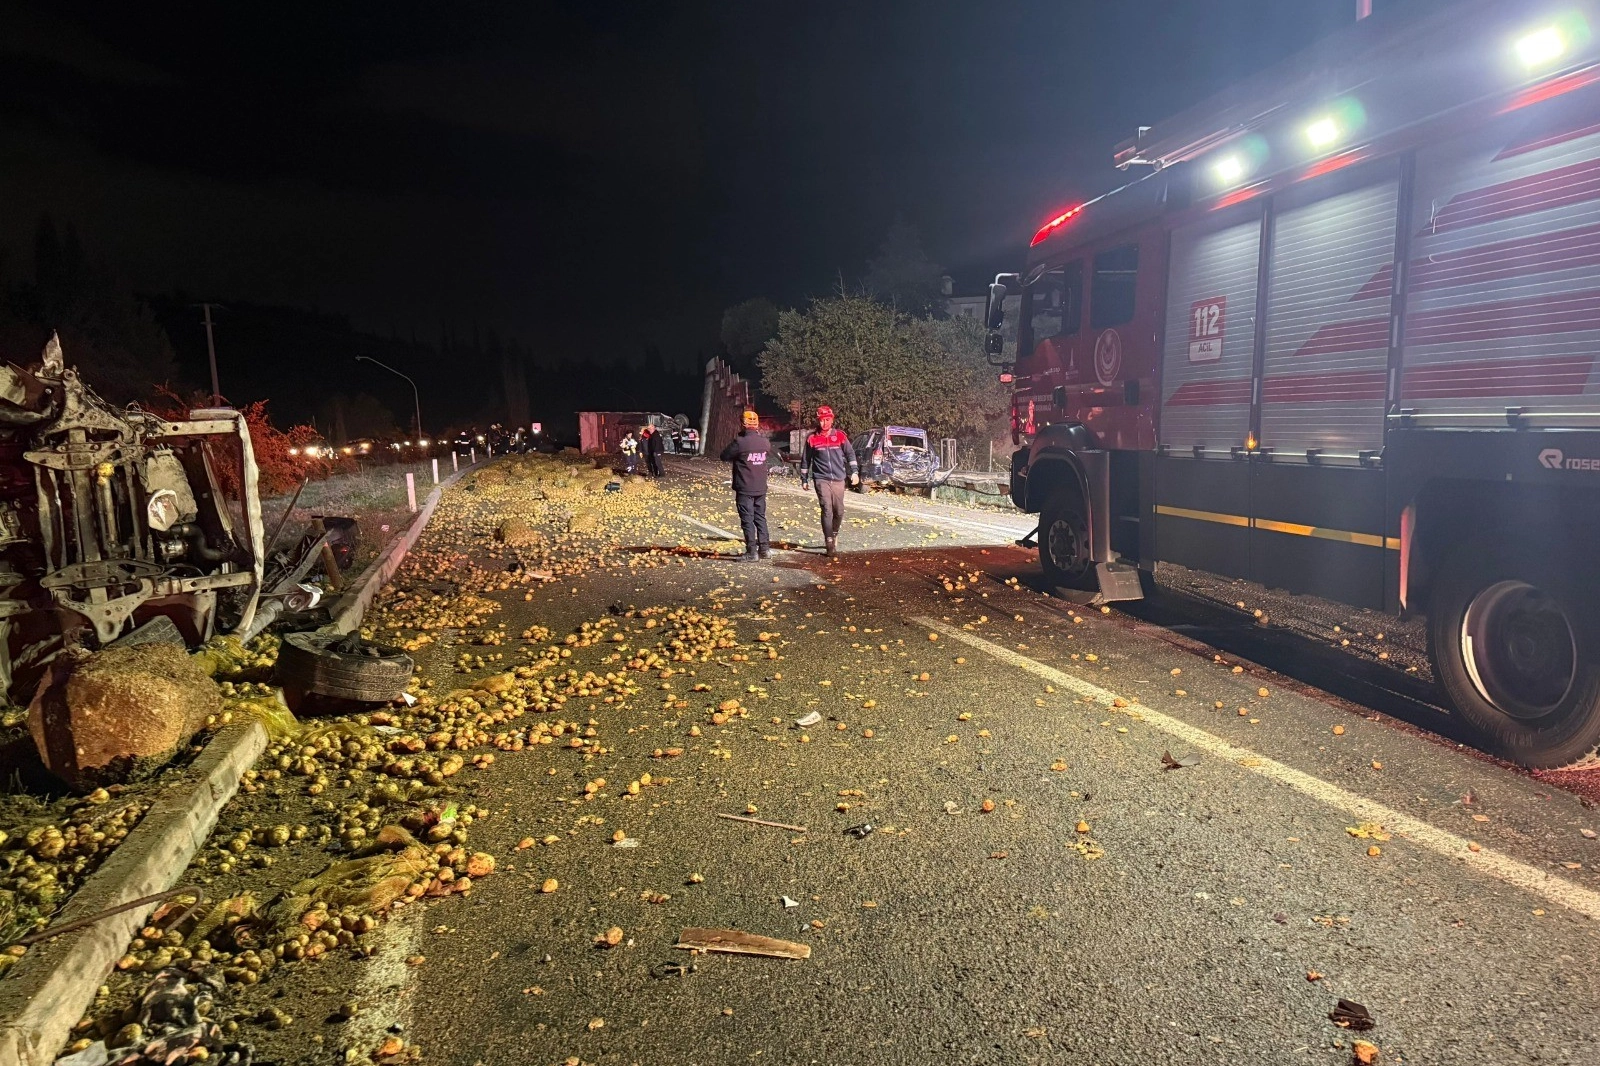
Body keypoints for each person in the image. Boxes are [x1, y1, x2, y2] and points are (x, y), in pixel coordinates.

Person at [798, 404, 858, 558]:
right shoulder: (812, 438)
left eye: (827, 420)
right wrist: (804, 479)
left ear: (832, 420)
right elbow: (806, 460)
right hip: (821, 479)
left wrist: (855, 472)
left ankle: (835, 533)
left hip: (839, 479)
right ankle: (829, 542)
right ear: (818, 421)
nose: (824, 423)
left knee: (839, 510)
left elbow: (850, 454)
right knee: (827, 509)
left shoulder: (840, 436)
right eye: (821, 420)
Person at [719, 409, 771, 561]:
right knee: (760, 517)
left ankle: (751, 552)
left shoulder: (740, 442)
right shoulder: (765, 442)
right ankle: (765, 549)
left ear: (743, 424)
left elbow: (724, 455)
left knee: (747, 519)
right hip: (760, 487)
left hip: (745, 487)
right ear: (757, 424)